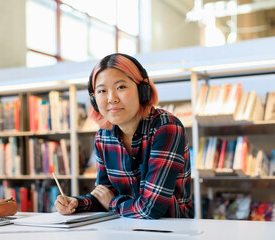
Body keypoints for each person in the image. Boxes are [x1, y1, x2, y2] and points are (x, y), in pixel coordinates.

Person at [54, 53, 193, 219]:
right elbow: (104, 194)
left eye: (121, 87)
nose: (112, 99)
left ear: (142, 90)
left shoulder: (166, 127)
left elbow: (151, 208)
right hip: (125, 228)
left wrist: (112, 203)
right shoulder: (103, 137)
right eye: (102, 91)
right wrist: (77, 203)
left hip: (171, 231)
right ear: (94, 100)